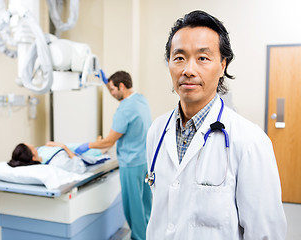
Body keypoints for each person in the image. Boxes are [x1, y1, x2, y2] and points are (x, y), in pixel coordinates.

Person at [145, 10, 287, 239]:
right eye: (179, 57)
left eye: (202, 58)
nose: (188, 70)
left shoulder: (250, 142)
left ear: (222, 65)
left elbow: (265, 233)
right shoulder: (157, 132)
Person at [75, 70, 152, 240]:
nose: (111, 93)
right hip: (145, 162)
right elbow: (120, 94)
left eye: (112, 90)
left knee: (133, 206)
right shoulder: (140, 99)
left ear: (122, 86)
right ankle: (149, 234)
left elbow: (109, 141)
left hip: (131, 164)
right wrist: (107, 82)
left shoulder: (124, 110)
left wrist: (87, 145)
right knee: (146, 202)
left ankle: (139, 237)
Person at [8, 142, 88, 174]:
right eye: (32, 148)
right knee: (95, 148)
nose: (32, 145)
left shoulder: (38, 152)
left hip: (69, 148)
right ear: (33, 158)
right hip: (83, 156)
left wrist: (49, 145)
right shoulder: (56, 162)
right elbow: (80, 167)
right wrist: (64, 147)